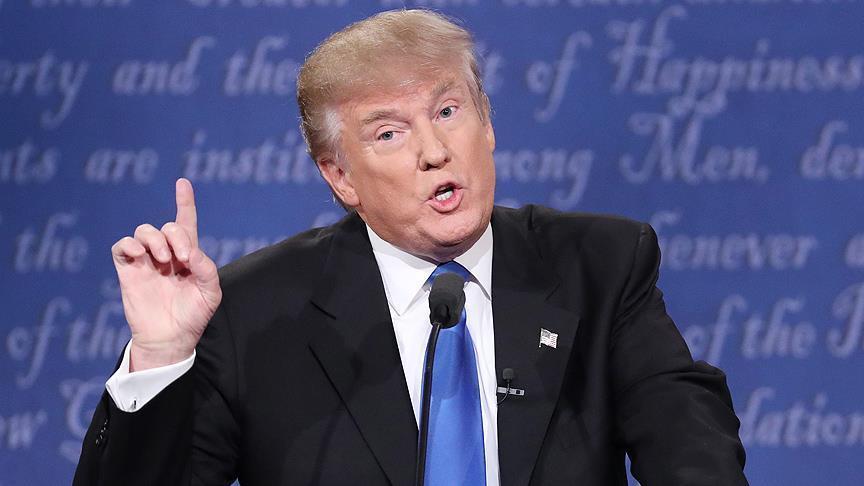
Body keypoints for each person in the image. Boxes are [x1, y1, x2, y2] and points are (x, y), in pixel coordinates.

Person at [74, 9, 747, 486]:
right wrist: (161, 358)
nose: (434, 150)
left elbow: (695, 455)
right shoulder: (254, 314)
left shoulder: (600, 268)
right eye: (389, 133)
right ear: (340, 176)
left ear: (488, 124)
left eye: (448, 112)